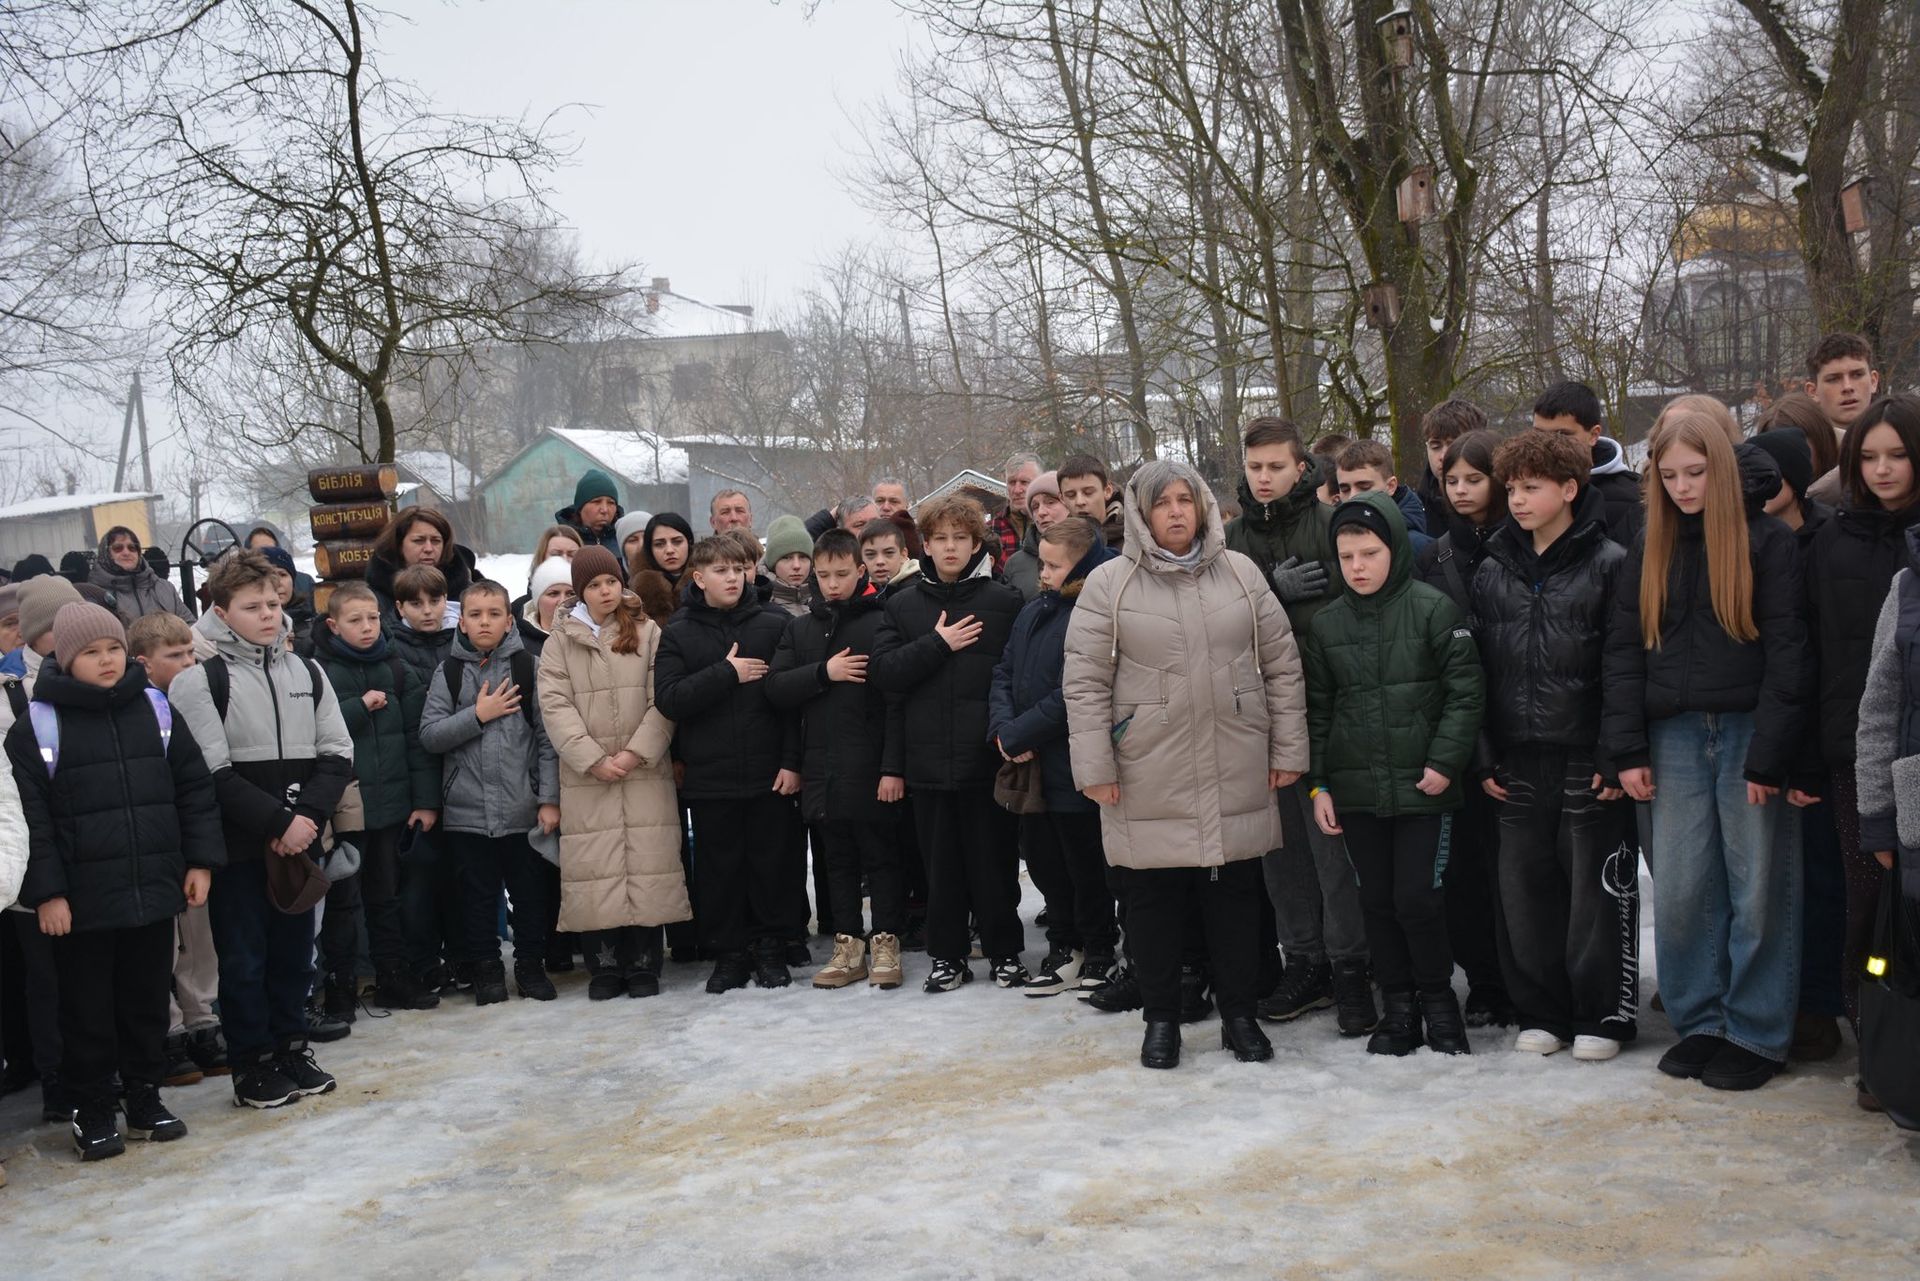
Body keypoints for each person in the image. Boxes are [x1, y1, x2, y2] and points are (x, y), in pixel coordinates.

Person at [1063, 461, 1306, 1069]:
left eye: (1186, 500)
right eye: (1162, 503)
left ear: (1202, 507)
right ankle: (1161, 1019)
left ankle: (1240, 1016)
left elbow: (1281, 665)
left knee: (1236, 901)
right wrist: (1097, 765)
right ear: (1142, 515)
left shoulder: (1242, 574)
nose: (1176, 512)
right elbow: (1086, 682)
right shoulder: (1109, 584)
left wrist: (1287, 750)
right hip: (1146, 766)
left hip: (1235, 759)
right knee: (1153, 903)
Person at [1602, 399, 1809, 1091]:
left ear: (1721, 468)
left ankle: (1755, 1027)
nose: (1684, 487)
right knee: (1686, 887)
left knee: (1758, 888)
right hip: (1673, 734)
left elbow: (1790, 652)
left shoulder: (1765, 541)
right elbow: (1624, 651)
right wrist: (1626, 748)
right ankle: (1702, 1018)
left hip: (1750, 728)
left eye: (1696, 472)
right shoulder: (1646, 546)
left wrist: (1772, 751)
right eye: (1670, 474)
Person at [6, 602, 224, 1159]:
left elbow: (193, 790)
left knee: (146, 1000)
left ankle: (144, 1097)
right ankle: (93, 1104)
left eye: (111, 649)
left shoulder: (154, 709)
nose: (105, 661)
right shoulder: (39, 723)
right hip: (80, 903)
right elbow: (32, 819)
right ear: (63, 657)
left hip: (152, 888)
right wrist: (48, 893)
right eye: (90, 653)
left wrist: (197, 862)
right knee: (86, 1010)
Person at [167, 550, 355, 1109]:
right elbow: (210, 770)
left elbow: (338, 753)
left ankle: (291, 1045)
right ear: (221, 613)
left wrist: (307, 822)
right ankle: (253, 1061)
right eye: (252, 607)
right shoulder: (200, 681)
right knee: (245, 958)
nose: (268, 615)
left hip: (301, 838)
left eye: (273, 603)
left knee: (296, 953)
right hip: (241, 845)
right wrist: (278, 823)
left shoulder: (307, 670)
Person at [1472, 431, 1637, 1060]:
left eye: (1531, 487)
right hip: (1515, 758)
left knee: (1594, 893)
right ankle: (1541, 1011)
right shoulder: (1491, 570)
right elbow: (1474, 672)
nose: (1517, 499)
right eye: (1511, 488)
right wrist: (1484, 751)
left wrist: (1614, 752)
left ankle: (1602, 1014)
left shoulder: (1612, 563)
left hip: (1585, 756)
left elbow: (1623, 666)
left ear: (1570, 489)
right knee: (1523, 890)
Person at [1306, 493, 1484, 1058]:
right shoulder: (1327, 623)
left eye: (1369, 553)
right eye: (1346, 555)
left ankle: (1438, 1000)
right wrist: (1320, 784)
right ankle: (1399, 1006)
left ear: (1395, 551)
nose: (1357, 566)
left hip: (1423, 790)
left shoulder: (1434, 610)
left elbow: (1465, 693)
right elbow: (1318, 708)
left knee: (1418, 899)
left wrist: (1443, 761)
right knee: (1376, 902)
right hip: (1356, 792)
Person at [1219, 418, 1370, 1032]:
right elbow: (1216, 625)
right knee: (1281, 854)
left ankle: (1351, 967)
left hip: (1327, 707)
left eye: (1275, 467)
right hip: (1258, 717)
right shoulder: (1229, 539)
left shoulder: (1332, 524)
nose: (1264, 478)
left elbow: (1360, 597)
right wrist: (1269, 595)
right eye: (1255, 467)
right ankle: (1303, 961)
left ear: (1301, 467)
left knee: (1332, 851)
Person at [1799, 394, 1920, 1096]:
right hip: (1862, 758)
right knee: (1869, 913)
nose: (1882, 469)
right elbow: (1816, 652)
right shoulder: (1831, 538)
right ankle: (1877, 1047)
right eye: (1868, 456)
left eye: (1897, 454)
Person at [872, 495, 1030, 993]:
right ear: (925, 544)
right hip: (927, 761)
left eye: (960, 538)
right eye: (939, 538)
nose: (950, 547)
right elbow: (885, 675)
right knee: (939, 868)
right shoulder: (901, 604)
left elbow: (1019, 678)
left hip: (987, 760)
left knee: (995, 864)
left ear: (976, 542)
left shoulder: (1003, 602)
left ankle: (1005, 952)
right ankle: (948, 956)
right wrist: (938, 644)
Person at [766, 528, 908, 989]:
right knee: (836, 861)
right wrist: (823, 673)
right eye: (823, 574)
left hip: (870, 767)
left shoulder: (882, 621)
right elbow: (777, 689)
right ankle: (848, 944)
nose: (831, 583)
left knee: (882, 857)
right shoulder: (800, 627)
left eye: (841, 574)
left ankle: (886, 940)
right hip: (820, 768)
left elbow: (895, 703)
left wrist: (892, 767)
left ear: (860, 571)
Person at [655, 539, 795, 992]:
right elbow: (669, 698)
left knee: (771, 864)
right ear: (699, 578)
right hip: (711, 776)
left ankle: (771, 948)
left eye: (738, 568)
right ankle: (730, 953)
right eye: (720, 570)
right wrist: (725, 673)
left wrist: (792, 762)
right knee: (720, 868)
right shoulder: (678, 631)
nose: (732, 577)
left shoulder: (774, 623)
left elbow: (794, 703)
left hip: (768, 770)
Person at [991, 516, 1120, 997]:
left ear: (1082, 564)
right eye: (1041, 563)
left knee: (1084, 866)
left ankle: (1098, 948)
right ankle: (1065, 944)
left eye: (1053, 565)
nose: (1042, 574)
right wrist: (1004, 730)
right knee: (1045, 862)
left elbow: (1077, 692)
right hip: (1032, 765)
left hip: (1073, 762)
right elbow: (1004, 671)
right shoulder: (1034, 611)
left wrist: (1021, 730)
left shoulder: (1094, 612)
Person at [421, 580, 563, 1005]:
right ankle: (487, 970)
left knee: (530, 895)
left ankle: (530, 966)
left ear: (509, 618)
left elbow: (547, 740)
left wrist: (549, 799)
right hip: (467, 813)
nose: (485, 622)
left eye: (494, 613)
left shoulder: (529, 667)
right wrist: (477, 716)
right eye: (476, 614)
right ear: (461, 620)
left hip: (523, 809)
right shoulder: (447, 672)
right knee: (477, 899)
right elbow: (430, 735)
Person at [1414, 428, 1510, 1024]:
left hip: (1522, 727)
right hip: (1461, 736)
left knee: (1518, 875)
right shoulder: (1434, 555)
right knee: (1468, 872)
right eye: (1453, 480)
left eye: (1475, 478)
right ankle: (1485, 981)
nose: (1463, 490)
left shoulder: (1521, 542)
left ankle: (1527, 979)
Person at [312, 582, 442, 1014]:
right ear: (333, 625)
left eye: (372, 618)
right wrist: (356, 707)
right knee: (342, 903)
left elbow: (415, 740)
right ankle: (341, 985)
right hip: (345, 809)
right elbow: (315, 736)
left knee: (386, 898)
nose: (367, 627)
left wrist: (424, 801)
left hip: (391, 806)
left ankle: (392, 976)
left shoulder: (396, 668)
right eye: (355, 620)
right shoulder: (320, 672)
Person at [127, 613, 230, 1084]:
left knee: (200, 936)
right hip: (152, 842)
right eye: (175, 656)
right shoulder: (138, 707)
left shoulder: (198, 696)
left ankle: (202, 1020)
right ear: (144, 664)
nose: (188, 662)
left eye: (191, 652)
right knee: (164, 945)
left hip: (193, 838)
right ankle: (167, 1028)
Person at [0, 574, 80, 1122]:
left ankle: (99, 1069)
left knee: (89, 974)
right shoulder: (10, 690)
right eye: (55, 626)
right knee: (47, 977)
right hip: (31, 854)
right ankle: (58, 1081)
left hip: (86, 847)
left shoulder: (96, 674)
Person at [1533, 380, 1644, 546]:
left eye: (1562, 435)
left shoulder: (1635, 498)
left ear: (1593, 435)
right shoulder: (1518, 490)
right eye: (1539, 434)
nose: (1548, 444)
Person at [1803, 333, 1879, 508]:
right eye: (1833, 379)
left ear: (1873, 380)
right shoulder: (1800, 455)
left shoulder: (1909, 440)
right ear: (1812, 391)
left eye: (1857, 375)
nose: (1847, 387)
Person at [366, 508, 475, 624]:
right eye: (419, 541)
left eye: (436, 541)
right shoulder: (372, 600)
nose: (428, 549)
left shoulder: (470, 594)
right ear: (398, 545)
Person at [1334, 439, 1433, 551]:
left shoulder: (1421, 548)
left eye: (1364, 487)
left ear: (1390, 486)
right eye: (1345, 489)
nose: (1353, 497)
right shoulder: (1332, 536)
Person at [88, 526, 195, 626]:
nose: (126, 552)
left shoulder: (164, 588)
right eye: (118, 548)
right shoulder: (95, 594)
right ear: (105, 553)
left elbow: (190, 626)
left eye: (132, 548)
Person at [1417, 400, 1487, 523]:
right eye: (1435, 446)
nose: (1444, 456)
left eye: (1455, 445)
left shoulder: (1514, 511)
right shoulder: (1412, 512)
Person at [1005, 470, 1068, 600]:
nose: (1041, 512)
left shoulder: (1092, 551)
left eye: (1050, 502)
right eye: (1034, 506)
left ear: (1068, 503)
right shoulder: (1016, 564)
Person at [389, 564, 456, 686]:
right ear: (401, 608)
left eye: (434, 601)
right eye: (416, 604)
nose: (427, 611)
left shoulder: (464, 638)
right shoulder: (391, 647)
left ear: (445, 600)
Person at [554, 469, 625, 562]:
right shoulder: (561, 542)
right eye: (596, 502)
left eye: (611, 503)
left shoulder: (626, 540)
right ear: (580, 508)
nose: (604, 510)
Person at [255, 545, 315, 654]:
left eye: (283, 574)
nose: (278, 582)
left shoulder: (314, 620)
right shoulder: (249, 627)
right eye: (270, 575)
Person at [1059, 454, 1123, 552]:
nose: (1080, 502)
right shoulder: (1057, 545)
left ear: (1107, 491)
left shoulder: (1134, 539)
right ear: (1062, 499)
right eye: (1071, 495)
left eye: (1088, 493)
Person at [991, 452, 1042, 567]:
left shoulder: (1052, 527)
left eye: (1024, 482)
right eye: (1012, 482)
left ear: (1040, 483)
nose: (1017, 490)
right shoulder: (990, 529)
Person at [763, 515, 815, 618]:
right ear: (772, 564)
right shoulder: (759, 607)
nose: (796, 566)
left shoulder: (829, 600)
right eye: (786, 558)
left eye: (803, 557)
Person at [634, 512, 695, 589]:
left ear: (689, 543)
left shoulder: (708, 581)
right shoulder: (637, 589)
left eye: (677, 541)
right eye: (659, 544)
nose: (669, 550)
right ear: (650, 549)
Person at [859, 520, 913, 591]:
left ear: (903, 555)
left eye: (889, 553)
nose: (880, 561)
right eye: (870, 554)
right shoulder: (855, 592)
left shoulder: (918, 591)